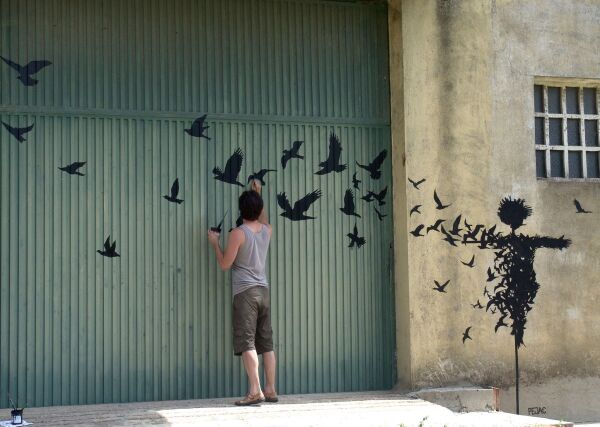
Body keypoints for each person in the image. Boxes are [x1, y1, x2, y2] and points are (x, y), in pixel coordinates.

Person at [207, 180, 278, 406]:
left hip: (245, 293)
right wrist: (258, 193)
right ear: (259, 208)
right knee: (266, 343)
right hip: (263, 291)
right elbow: (263, 218)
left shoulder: (238, 233)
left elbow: (225, 264)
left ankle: (255, 391)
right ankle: (271, 389)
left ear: (241, 210)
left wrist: (215, 243)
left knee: (247, 342)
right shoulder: (267, 230)